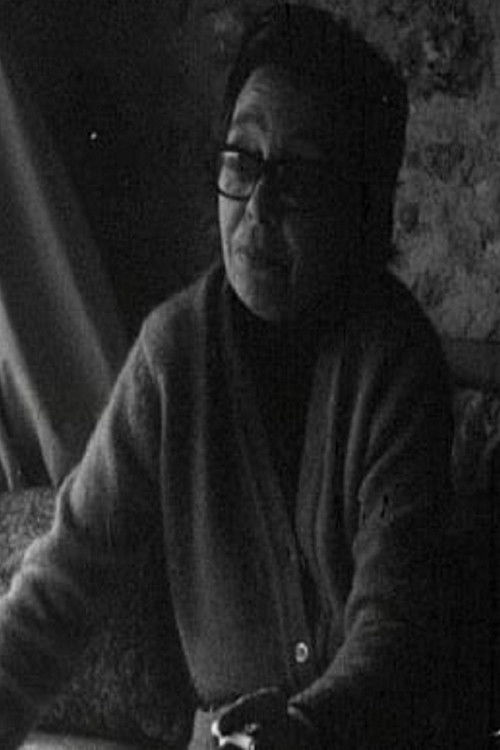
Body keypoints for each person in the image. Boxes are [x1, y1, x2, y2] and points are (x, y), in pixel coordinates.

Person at [0, 5, 469, 749]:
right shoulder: (173, 354)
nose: (258, 207)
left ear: (360, 208)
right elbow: (66, 576)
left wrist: (304, 727)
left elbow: (395, 622)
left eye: (300, 175)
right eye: (242, 160)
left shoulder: (393, 362)